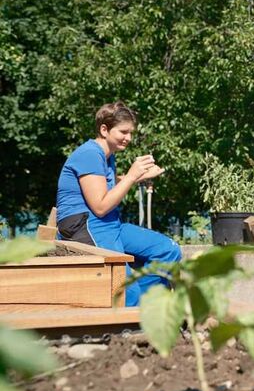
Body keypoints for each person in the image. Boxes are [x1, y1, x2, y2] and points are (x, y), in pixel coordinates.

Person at [56, 101, 181, 307]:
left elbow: (106, 190)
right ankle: (130, 318)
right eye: (123, 132)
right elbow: (100, 206)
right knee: (124, 287)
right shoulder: (89, 153)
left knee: (168, 250)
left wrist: (139, 177)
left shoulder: (107, 156)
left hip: (108, 224)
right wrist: (132, 176)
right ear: (104, 129)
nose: (129, 138)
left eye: (131, 132)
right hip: (85, 225)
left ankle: (145, 306)